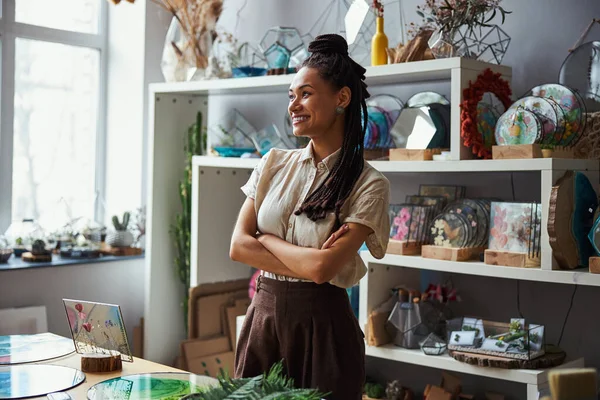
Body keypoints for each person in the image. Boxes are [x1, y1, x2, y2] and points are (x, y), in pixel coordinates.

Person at [229, 33, 390, 399]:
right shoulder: (272, 163)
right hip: (263, 323)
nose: (293, 105)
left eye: (305, 93)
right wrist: (308, 261)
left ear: (342, 99)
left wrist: (265, 238)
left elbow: (323, 270)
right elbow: (238, 246)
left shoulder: (369, 184)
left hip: (325, 331)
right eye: (291, 96)